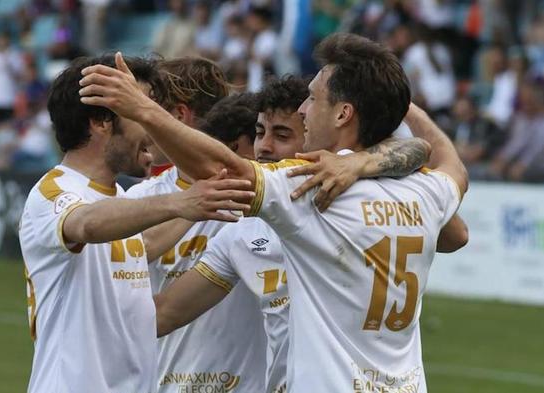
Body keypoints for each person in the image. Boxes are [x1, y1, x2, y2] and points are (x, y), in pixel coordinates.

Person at [79, 32, 469, 392]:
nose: (304, 108)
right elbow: (452, 168)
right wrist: (395, 112)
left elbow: (221, 170)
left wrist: (144, 110)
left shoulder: (307, 188)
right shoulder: (422, 190)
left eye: (314, 99)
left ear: (343, 114)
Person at [19, 55, 254, 393]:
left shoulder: (116, 198)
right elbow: (85, 225)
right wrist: (179, 201)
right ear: (101, 121)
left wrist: (194, 191)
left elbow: (142, 245)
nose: (153, 128)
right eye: (138, 110)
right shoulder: (54, 191)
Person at [125, 58, 267, 393]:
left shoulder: (261, 194)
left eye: (148, 114)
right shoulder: (142, 197)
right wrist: (187, 205)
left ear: (176, 117)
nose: (141, 130)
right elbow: (124, 256)